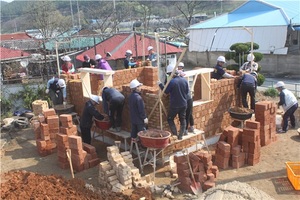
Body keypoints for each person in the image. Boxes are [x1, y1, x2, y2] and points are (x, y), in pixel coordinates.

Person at [158, 64, 189, 140]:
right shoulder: (184, 80)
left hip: (175, 105)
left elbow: (166, 91)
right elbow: (187, 91)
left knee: (170, 119)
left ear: (171, 73)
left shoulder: (172, 82)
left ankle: (175, 134)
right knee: (182, 119)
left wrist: (160, 85)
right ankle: (180, 135)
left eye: (169, 74)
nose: (169, 76)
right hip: (184, 104)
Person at [177, 62, 195, 134]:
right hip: (189, 99)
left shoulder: (182, 80)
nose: (180, 68)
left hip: (187, 100)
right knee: (189, 113)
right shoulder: (183, 79)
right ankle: (191, 127)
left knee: (187, 114)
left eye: (181, 67)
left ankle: (186, 130)